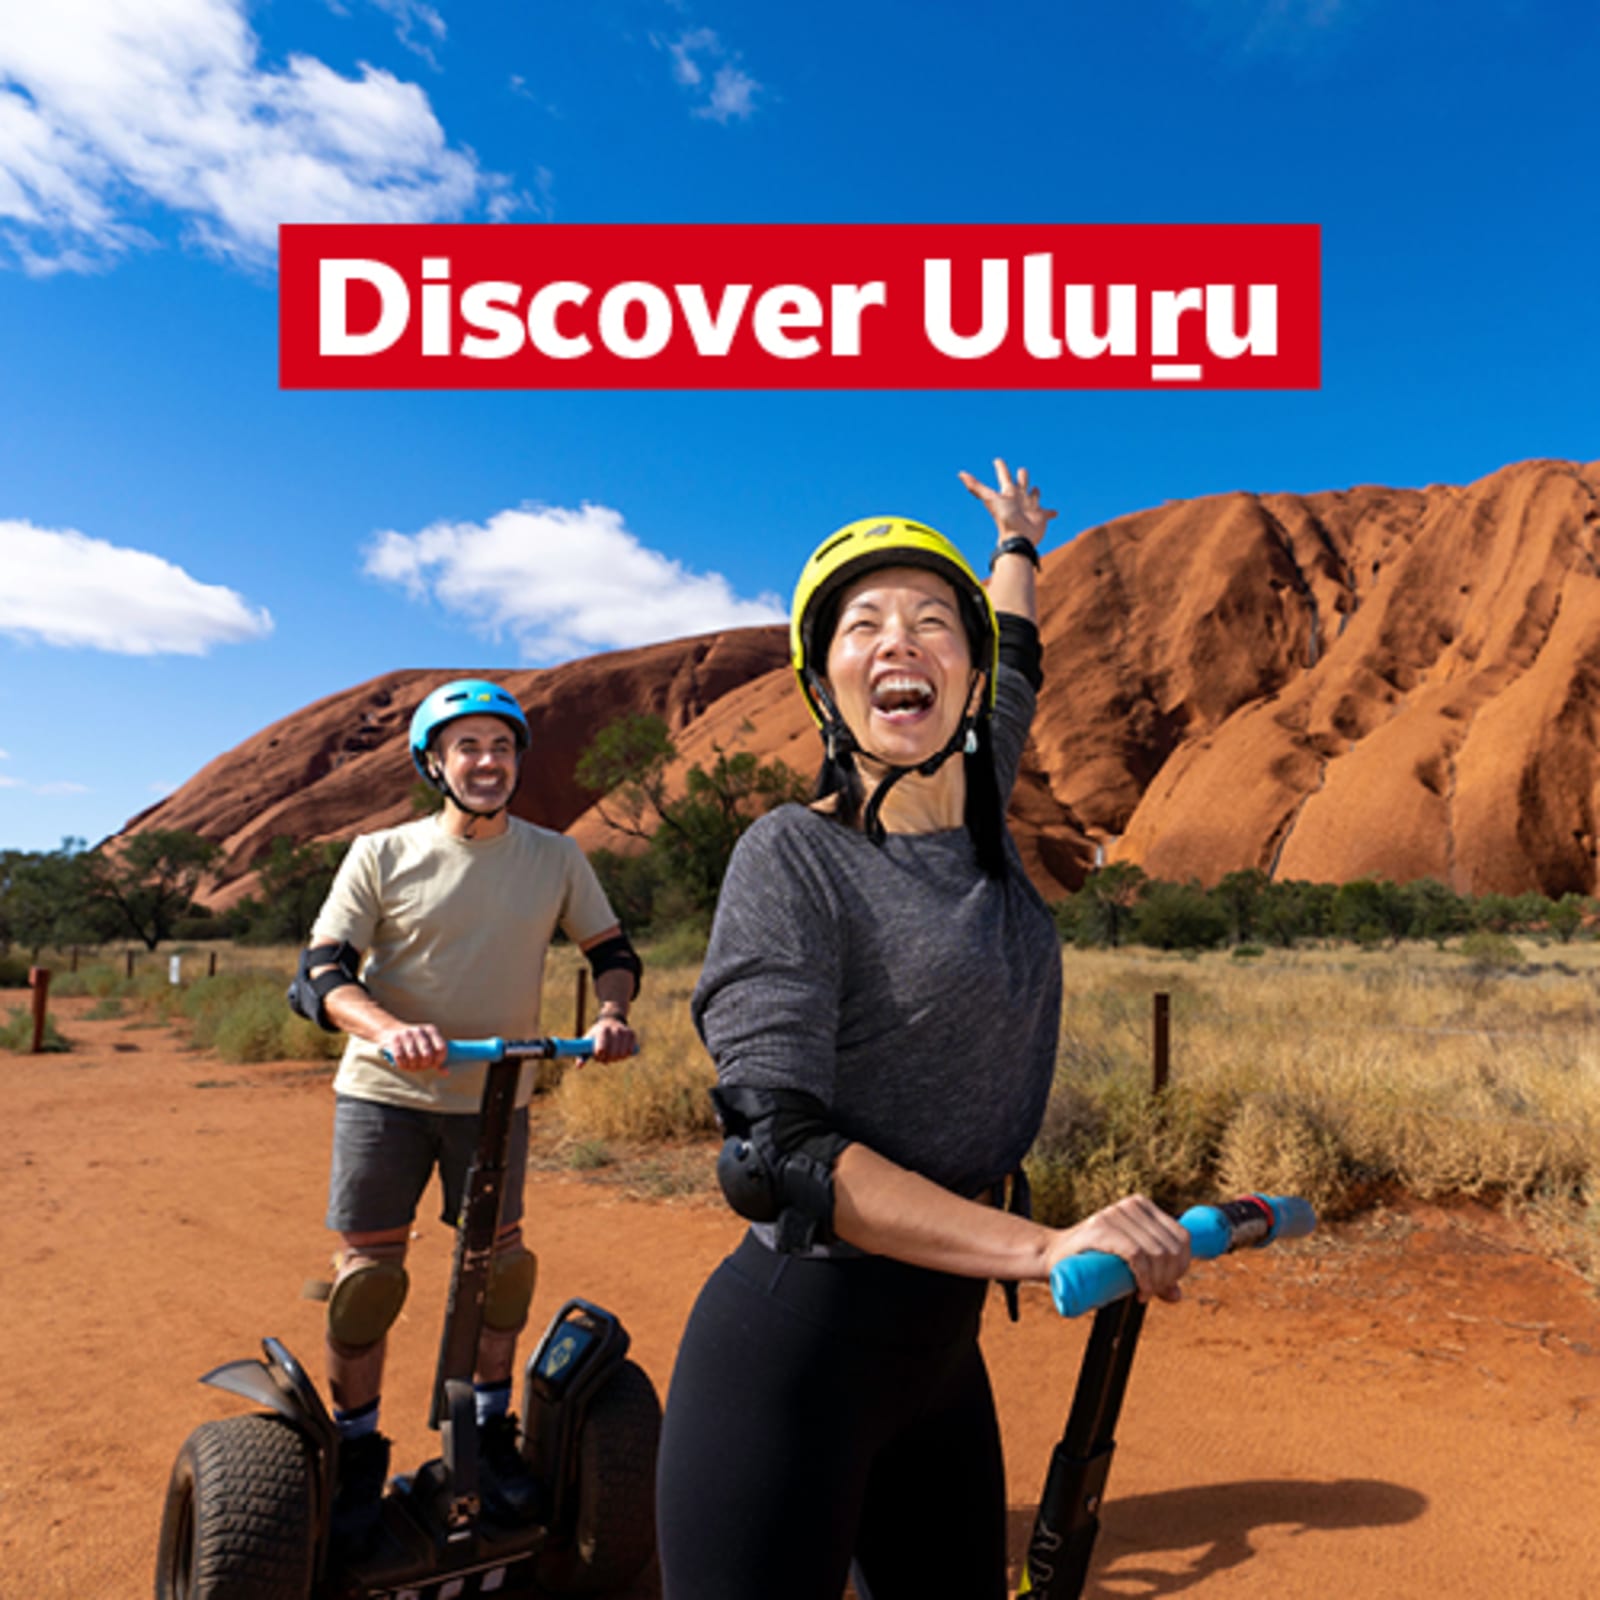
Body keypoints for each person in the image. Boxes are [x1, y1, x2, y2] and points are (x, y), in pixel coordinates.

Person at [655, 463, 1192, 1600]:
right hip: (795, 1353)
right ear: (821, 683)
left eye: (930, 624)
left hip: (940, 1355)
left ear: (966, 670)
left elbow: (1022, 658)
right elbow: (774, 1153)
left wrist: (1016, 546)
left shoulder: (981, 792)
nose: (900, 643)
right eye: (864, 626)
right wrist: (1042, 1248)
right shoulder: (794, 857)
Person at [288, 677, 641, 1549]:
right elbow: (322, 974)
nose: (487, 762)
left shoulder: (556, 857)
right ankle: (360, 1452)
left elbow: (613, 951)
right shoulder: (380, 852)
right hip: (388, 1095)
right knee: (368, 1281)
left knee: (500, 1271)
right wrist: (388, 1029)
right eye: (468, 747)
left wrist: (611, 1015)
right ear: (434, 763)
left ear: (518, 762)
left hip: (497, 1092)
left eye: (502, 748)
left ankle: (487, 1435)